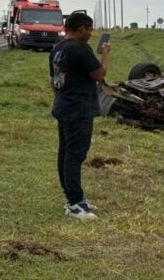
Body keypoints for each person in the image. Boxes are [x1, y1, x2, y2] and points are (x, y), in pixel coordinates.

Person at [49, 12, 111, 220]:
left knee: (65, 153)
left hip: (63, 106)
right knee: (75, 156)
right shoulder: (81, 49)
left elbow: (54, 81)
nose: (91, 34)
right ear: (81, 29)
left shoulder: (57, 49)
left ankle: (72, 198)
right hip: (79, 109)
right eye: (90, 29)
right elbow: (99, 75)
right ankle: (76, 204)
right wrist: (105, 54)